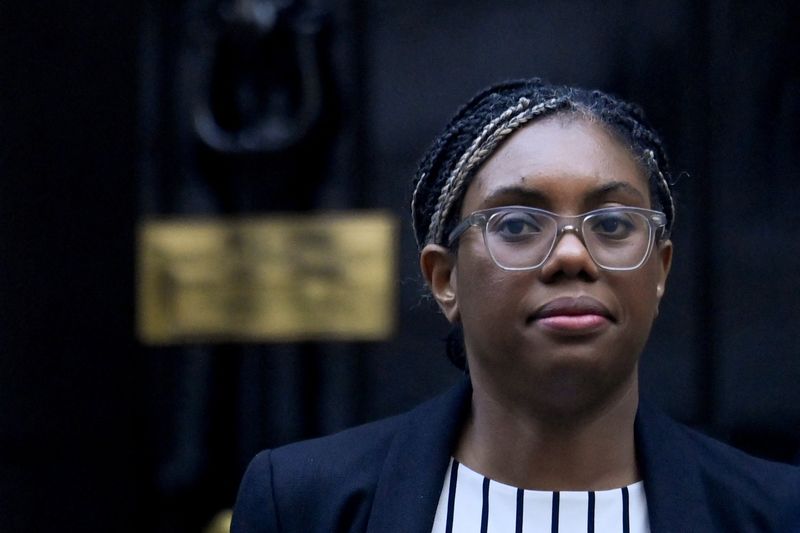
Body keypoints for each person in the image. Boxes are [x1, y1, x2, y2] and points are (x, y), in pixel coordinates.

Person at [231, 79, 800, 532]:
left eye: (613, 223)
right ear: (445, 278)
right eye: (519, 224)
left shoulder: (776, 512)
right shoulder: (304, 503)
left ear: (660, 272)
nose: (573, 255)